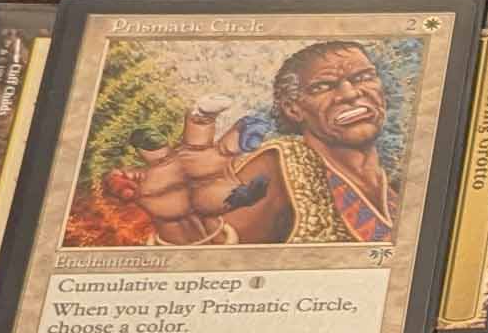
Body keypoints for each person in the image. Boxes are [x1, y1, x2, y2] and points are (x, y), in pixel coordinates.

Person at [114, 38, 401, 245]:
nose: (350, 94)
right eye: (322, 87)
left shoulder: (394, 186)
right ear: (293, 109)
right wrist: (182, 225)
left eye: (364, 77)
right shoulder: (281, 167)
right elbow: (212, 267)